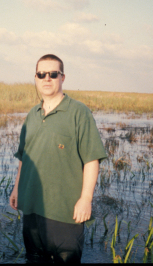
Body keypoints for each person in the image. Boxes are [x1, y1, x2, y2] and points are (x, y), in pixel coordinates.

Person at [9, 54, 107, 263]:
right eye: (41, 74)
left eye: (53, 74)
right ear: (35, 78)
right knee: (34, 259)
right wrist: (17, 188)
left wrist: (86, 199)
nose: (47, 78)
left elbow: (92, 160)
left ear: (63, 77)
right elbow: (24, 158)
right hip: (32, 211)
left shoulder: (79, 112)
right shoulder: (31, 115)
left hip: (66, 215)